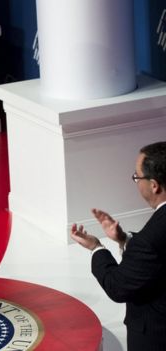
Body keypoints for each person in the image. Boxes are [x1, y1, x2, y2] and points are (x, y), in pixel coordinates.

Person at [70, 141, 166, 351]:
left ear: (154, 185)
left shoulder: (149, 241)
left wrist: (97, 248)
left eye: (136, 177)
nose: (135, 182)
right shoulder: (150, 240)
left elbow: (118, 286)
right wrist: (124, 240)